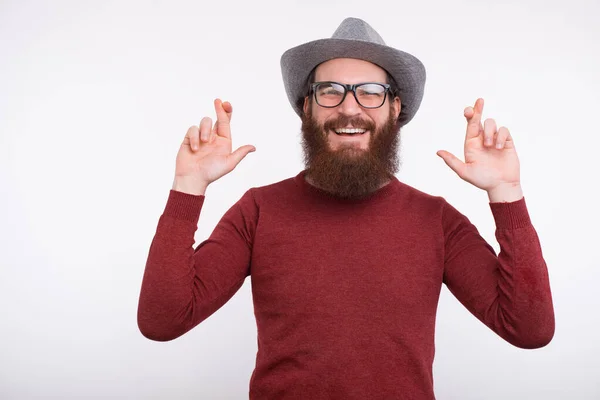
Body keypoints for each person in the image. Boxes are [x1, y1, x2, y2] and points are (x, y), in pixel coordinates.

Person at [137, 17, 555, 399]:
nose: (349, 108)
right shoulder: (259, 211)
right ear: (307, 108)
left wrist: (507, 191)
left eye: (371, 92)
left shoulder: (437, 221)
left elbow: (529, 330)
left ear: (395, 109)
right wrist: (188, 187)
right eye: (330, 92)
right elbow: (163, 321)